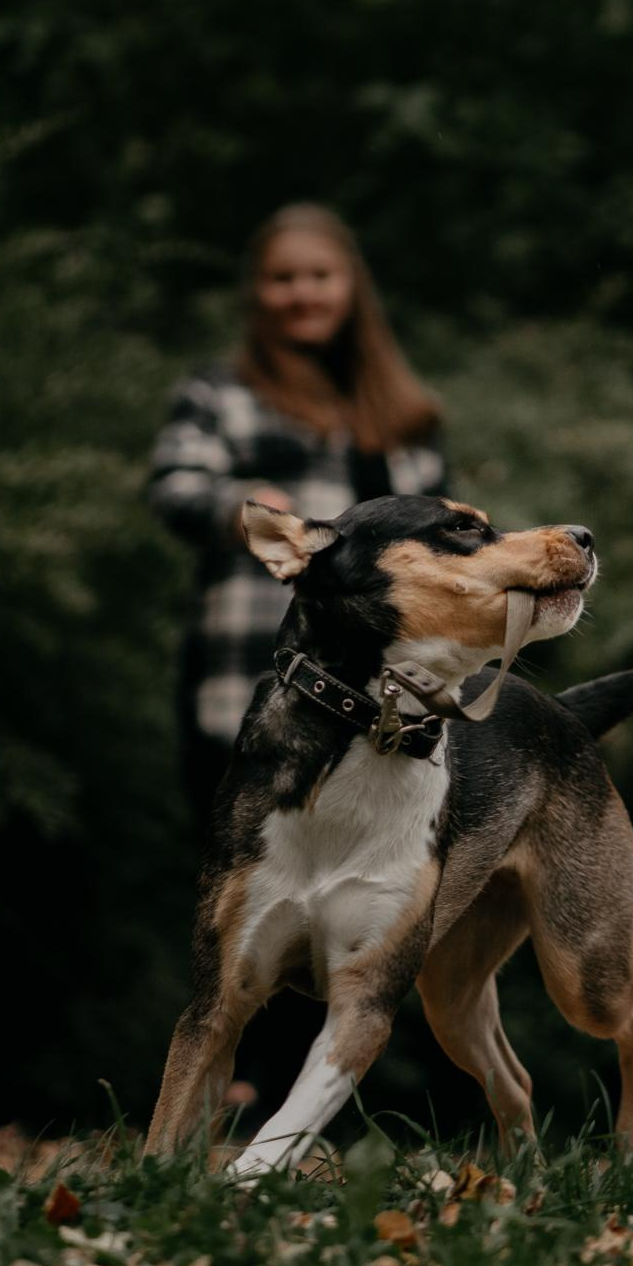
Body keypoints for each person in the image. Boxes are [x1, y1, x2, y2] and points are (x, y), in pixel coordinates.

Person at [150, 203, 447, 823]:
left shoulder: (406, 416)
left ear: (351, 288)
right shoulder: (221, 394)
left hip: (390, 695)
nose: (302, 293)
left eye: (319, 276)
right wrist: (240, 508)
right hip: (250, 679)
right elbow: (174, 487)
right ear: (258, 292)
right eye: (282, 279)